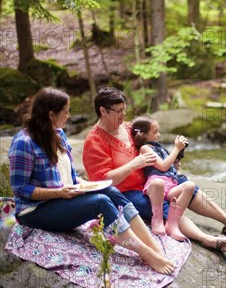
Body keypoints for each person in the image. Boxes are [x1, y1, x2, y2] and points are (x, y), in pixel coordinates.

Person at [8, 87, 175, 274]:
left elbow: (69, 176)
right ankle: (146, 254)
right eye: (66, 112)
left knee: (111, 191)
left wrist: (86, 184)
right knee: (100, 202)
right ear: (51, 115)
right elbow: (20, 188)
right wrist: (59, 193)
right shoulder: (23, 142)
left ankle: (155, 248)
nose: (69, 116)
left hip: (63, 198)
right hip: (36, 211)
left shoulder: (59, 134)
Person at [82, 87, 226, 254]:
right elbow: (102, 182)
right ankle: (208, 240)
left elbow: (153, 147)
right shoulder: (95, 141)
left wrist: (170, 164)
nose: (123, 115)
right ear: (103, 111)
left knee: (186, 185)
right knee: (165, 206)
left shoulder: (129, 128)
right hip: (127, 192)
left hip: (154, 179)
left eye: (124, 110)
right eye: (118, 111)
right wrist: (133, 165)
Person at [130, 116, 198, 244]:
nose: (158, 134)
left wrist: (177, 159)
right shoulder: (145, 148)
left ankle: (172, 224)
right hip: (155, 186)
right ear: (143, 135)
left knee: (190, 186)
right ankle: (157, 220)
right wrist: (176, 148)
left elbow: (170, 168)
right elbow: (162, 166)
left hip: (170, 186)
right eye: (155, 132)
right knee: (159, 183)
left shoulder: (160, 148)